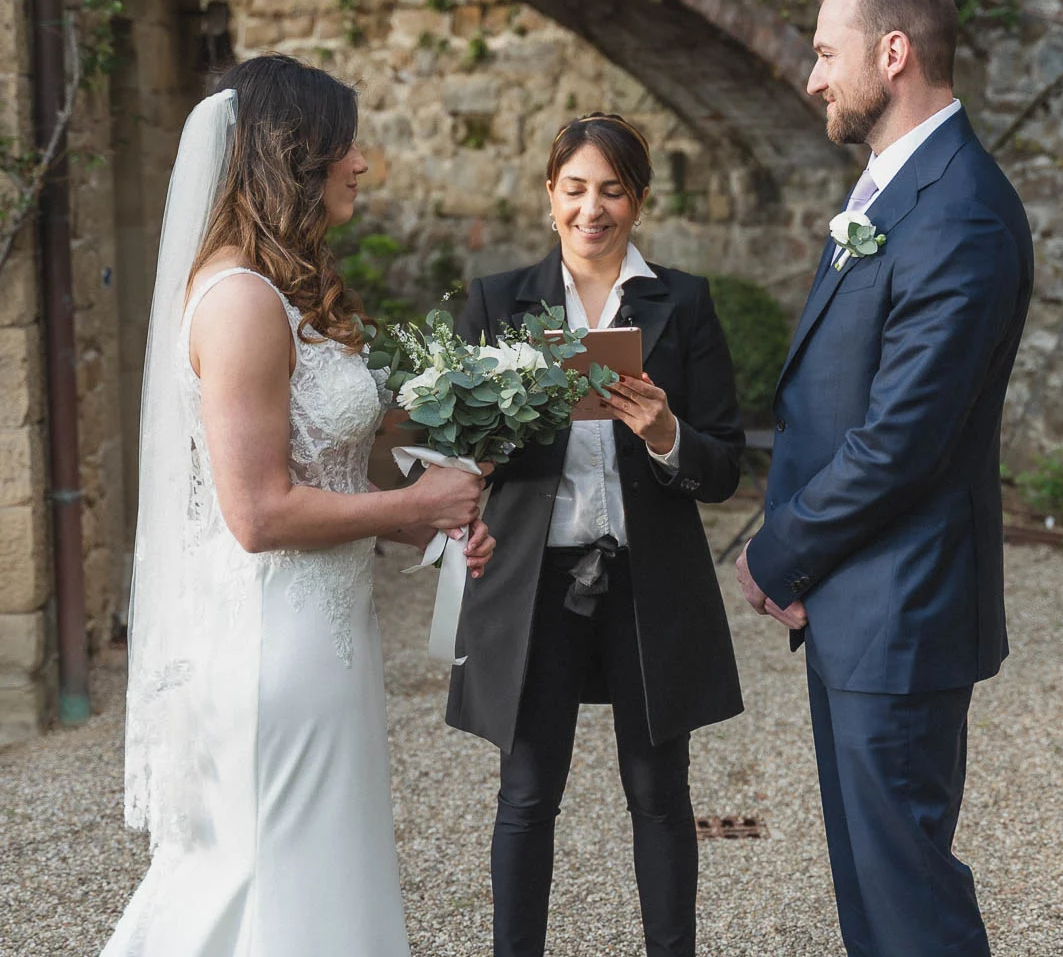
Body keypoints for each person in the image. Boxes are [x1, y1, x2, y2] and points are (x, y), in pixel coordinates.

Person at [103, 54, 493, 957]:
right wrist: (417, 501)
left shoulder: (283, 293)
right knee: (258, 880)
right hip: (269, 644)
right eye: (344, 145)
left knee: (314, 875)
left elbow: (323, 468)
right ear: (293, 152)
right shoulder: (240, 302)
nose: (360, 163)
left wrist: (425, 507)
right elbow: (260, 514)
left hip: (323, 633)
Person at [736, 0, 1034, 956]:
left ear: (892, 53)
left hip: (901, 608)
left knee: (909, 902)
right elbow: (831, 397)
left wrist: (779, 550)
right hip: (859, 602)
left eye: (828, 52)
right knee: (874, 891)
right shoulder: (894, 191)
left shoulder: (960, 212)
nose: (814, 78)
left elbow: (902, 440)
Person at [447, 113, 745, 957]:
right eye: (575, 189)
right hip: (534, 583)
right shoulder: (499, 302)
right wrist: (491, 440)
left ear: (638, 201)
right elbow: (460, 463)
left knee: (657, 791)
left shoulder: (681, 301)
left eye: (612, 190)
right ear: (550, 198)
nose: (592, 209)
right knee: (527, 792)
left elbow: (722, 467)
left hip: (647, 582)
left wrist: (665, 433)